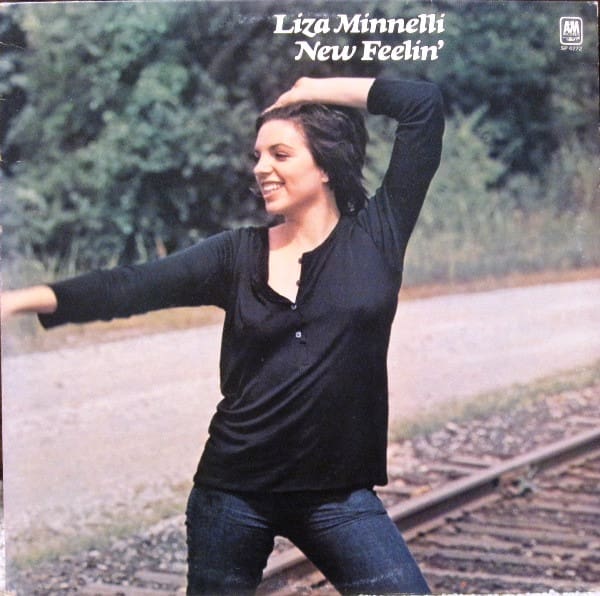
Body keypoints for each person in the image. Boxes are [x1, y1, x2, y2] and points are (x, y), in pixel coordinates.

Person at [1, 76, 444, 595]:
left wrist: (312, 87)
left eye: (280, 154)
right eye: (258, 156)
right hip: (234, 494)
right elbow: (128, 286)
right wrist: (15, 301)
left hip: (338, 497)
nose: (261, 168)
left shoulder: (377, 236)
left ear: (325, 166)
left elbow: (422, 105)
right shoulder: (235, 255)